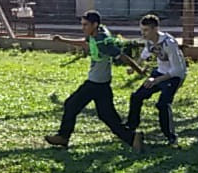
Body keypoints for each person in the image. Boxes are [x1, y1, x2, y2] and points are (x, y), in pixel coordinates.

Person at [45, 10, 143, 153]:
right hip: (101, 84)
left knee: (71, 104)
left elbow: (122, 56)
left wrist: (138, 70)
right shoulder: (95, 34)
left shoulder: (102, 42)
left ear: (95, 24)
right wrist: (63, 40)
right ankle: (132, 138)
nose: (83, 27)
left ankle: (63, 137)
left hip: (95, 84)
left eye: (85, 25)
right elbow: (85, 43)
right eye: (82, 24)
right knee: (106, 115)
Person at [125, 13, 187, 147]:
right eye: (142, 30)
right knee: (136, 97)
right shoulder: (149, 41)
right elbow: (144, 54)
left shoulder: (169, 43)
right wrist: (135, 67)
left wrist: (156, 80)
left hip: (174, 77)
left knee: (163, 104)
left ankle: (171, 137)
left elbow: (177, 70)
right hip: (159, 73)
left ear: (155, 29)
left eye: (146, 30)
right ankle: (130, 128)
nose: (143, 33)